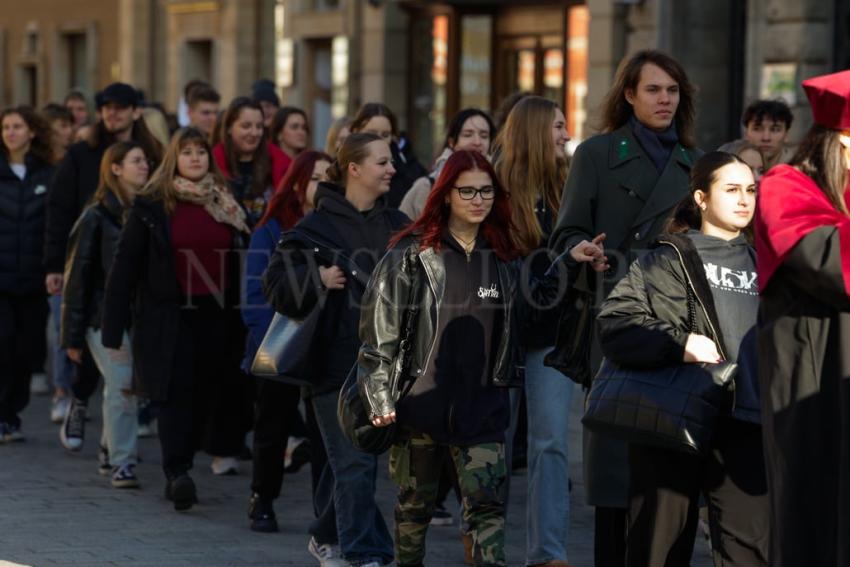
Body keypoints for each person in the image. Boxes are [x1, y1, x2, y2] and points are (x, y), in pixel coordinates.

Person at [362, 150, 603, 567]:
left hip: (484, 410)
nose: (478, 199)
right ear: (446, 194)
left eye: (486, 191)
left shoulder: (507, 258)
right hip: (420, 407)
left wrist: (568, 262)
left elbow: (537, 305)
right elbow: (379, 330)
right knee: (413, 511)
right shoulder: (413, 254)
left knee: (488, 513)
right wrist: (379, 394)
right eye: (468, 190)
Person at [549, 49, 702, 567]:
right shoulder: (594, 154)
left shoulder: (693, 163)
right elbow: (565, 231)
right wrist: (581, 250)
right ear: (629, 95)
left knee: (667, 468)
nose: (664, 99)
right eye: (653, 90)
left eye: (672, 91)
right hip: (616, 320)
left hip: (678, 326)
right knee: (615, 471)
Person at [598, 151, 767, 566]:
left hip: (748, 423)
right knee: (658, 550)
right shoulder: (668, 257)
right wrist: (680, 343)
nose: (744, 199)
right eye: (731, 190)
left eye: (750, 190)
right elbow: (617, 324)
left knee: (750, 553)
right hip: (674, 418)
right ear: (702, 197)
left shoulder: (767, 261)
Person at [263, 132, 406, 567]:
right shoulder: (313, 230)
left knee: (362, 466)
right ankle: (368, 552)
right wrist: (317, 280)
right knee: (354, 463)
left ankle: (327, 532)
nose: (392, 169)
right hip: (331, 366)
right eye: (382, 162)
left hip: (388, 367)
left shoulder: (398, 226)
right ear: (354, 169)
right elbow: (274, 288)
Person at [100, 128, 250, 510]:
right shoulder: (152, 205)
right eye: (187, 152)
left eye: (201, 151)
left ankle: (192, 455)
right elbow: (125, 268)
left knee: (205, 393)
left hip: (218, 316)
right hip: (167, 316)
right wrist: (112, 328)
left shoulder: (227, 201)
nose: (196, 158)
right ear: (174, 159)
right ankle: (176, 473)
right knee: (172, 393)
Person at [755, 69, 850, 566]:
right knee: (811, 510)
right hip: (811, 369)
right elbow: (833, 263)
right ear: (841, 144)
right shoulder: (784, 186)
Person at [47, 82, 163, 452]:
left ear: (134, 111)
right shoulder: (82, 154)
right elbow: (60, 210)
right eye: (106, 107)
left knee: (124, 363)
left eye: (120, 107)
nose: (112, 113)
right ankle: (81, 405)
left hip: (136, 276)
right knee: (88, 349)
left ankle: (113, 440)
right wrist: (53, 264)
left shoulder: (150, 155)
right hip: (91, 265)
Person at [492, 96, 574, 567]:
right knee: (494, 441)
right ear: (536, 130)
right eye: (558, 127)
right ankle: (486, 541)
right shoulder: (495, 185)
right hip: (499, 329)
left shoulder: (570, 183)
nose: (565, 135)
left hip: (552, 328)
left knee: (550, 441)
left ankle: (548, 553)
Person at [60, 141, 151, 488]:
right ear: (115, 168)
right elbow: (77, 277)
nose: (145, 166)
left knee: (126, 385)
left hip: (138, 315)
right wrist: (71, 335)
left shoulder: (147, 212)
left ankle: (107, 447)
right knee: (123, 383)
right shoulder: (95, 215)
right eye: (137, 160)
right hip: (101, 318)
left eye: (146, 160)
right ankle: (122, 461)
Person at [0, 106, 56, 442]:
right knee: (3, 343)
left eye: (17, 126)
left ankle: (11, 413)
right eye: (5, 127)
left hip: (33, 280)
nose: (10, 132)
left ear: (32, 132)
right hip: (1, 281)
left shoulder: (48, 174)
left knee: (26, 352)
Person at [400, 108, 495, 220]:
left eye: (484, 136)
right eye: (468, 135)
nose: (477, 142)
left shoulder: (499, 179)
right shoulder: (427, 186)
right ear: (451, 142)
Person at [212, 96, 291, 227]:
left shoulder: (279, 163)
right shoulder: (212, 164)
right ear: (229, 128)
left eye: (259, 126)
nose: (254, 133)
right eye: (246, 126)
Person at [350, 103, 428, 208]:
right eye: (371, 134)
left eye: (385, 135)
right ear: (356, 132)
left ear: (393, 137)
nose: (379, 140)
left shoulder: (411, 173)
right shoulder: (340, 168)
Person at [741, 99, 794, 171]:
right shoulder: (731, 169)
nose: (766, 138)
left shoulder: (798, 172)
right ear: (746, 134)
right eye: (757, 129)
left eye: (775, 130)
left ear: (786, 135)